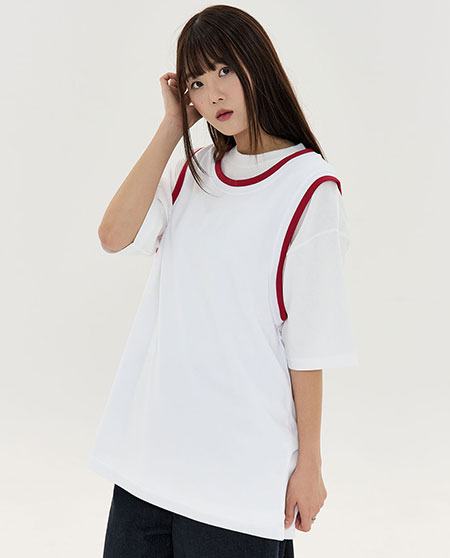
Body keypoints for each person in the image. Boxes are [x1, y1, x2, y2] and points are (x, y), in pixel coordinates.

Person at [88, 5, 359, 558]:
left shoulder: (310, 188)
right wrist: (172, 128)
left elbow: (308, 343)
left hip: (239, 473)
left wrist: (310, 463)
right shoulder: (194, 169)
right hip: (151, 460)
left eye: (224, 70)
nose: (213, 94)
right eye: (196, 81)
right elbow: (113, 235)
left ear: (257, 63)